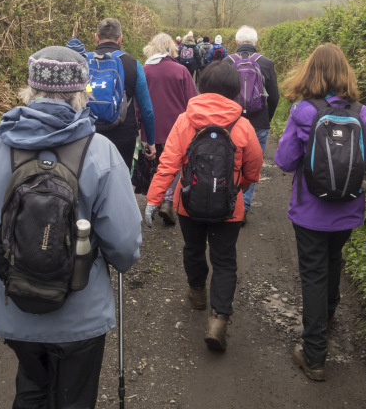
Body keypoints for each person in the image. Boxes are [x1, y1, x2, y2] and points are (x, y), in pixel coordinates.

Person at [0, 45, 142, 408]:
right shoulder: (100, 150)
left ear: (30, 88)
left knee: (31, 384)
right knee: (74, 397)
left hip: (13, 306)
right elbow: (124, 245)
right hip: (80, 315)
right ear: (81, 91)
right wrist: (119, 260)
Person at [273, 43, 366, 382]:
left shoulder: (303, 111)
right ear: (345, 73)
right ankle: (328, 318)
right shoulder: (363, 114)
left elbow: (284, 161)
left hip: (309, 212)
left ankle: (314, 356)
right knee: (333, 259)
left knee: (313, 272)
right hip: (348, 210)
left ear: (310, 72)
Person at [144, 61, 263, 351]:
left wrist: (153, 199)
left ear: (203, 87)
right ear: (235, 92)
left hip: (189, 206)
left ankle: (197, 292)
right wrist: (239, 189)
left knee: (193, 249)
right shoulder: (243, 125)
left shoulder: (185, 121)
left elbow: (168, 165)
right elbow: (254, 168)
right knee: (224, 261)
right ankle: (219, 319)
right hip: (228, 208)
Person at [224, 25, 279, 223]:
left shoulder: (227, 61)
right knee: (253, 164)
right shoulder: (266, 63)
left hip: (231, 122)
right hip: (259, 121)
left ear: (237, 43)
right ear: (256, 43)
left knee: (230, 160)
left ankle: (228, 200)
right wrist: (267, 118)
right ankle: (244, 205)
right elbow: (274, 97)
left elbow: (222, 94)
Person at [141, 32, 197, 224]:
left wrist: (139, 127)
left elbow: (137, 104)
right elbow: (193, 102)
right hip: (177, 129)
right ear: (172, 48)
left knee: (156, 166)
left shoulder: (144, 70)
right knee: (175, 165)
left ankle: (154, 200)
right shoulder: (181, 71)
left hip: (151, 129)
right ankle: (167, 200)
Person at [91, 17, 156, 168]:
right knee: (120, 182)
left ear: (96, 37)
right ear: (120, 39)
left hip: (89, 133)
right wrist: (150, 142)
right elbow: (146, 109)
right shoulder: (133, 64)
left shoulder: (83, 61)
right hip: (123, 135)